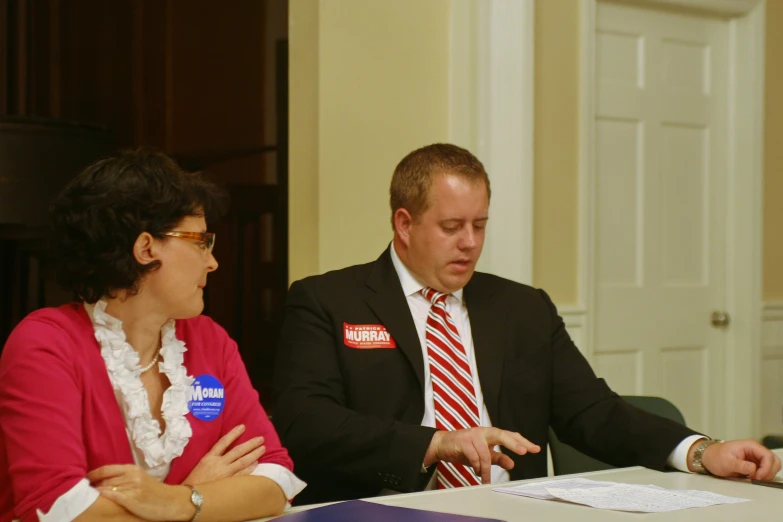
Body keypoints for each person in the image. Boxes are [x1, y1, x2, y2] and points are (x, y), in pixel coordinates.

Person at [273, 143, 781, 505]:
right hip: (386, 506)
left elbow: (593, 411)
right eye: (451, 227)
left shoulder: (521, 307)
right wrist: (433, 442)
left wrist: (700, 452)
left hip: (513, 506)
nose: (470, 242)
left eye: (480, 225)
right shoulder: (328, 300)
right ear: (404, 224)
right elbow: (305, 421)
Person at [0, 150, 305, 522]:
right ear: (146, 248)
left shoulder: (210, 339)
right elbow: (59, 510)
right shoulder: (45, 344)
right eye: (201, 240)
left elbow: (275, 481)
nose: (213, 261)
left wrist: (177, 500)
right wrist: (203, 495)